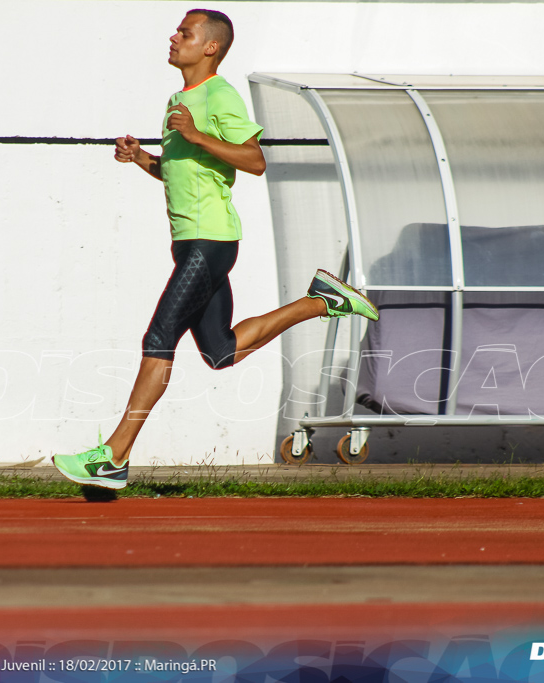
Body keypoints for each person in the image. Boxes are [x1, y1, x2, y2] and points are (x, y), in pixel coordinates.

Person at [53, 9, 378, 489]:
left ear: (209, 47)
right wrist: (142, 157)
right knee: (220, 352)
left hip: (211, 241)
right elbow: (180, 170)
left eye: (184, 32)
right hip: (190, 244)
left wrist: (198, 134)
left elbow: (255, 160)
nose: (173, 36)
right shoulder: (179, 99)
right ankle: (321, 301)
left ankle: (114, 457)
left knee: (158, 341)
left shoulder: (219, 95)